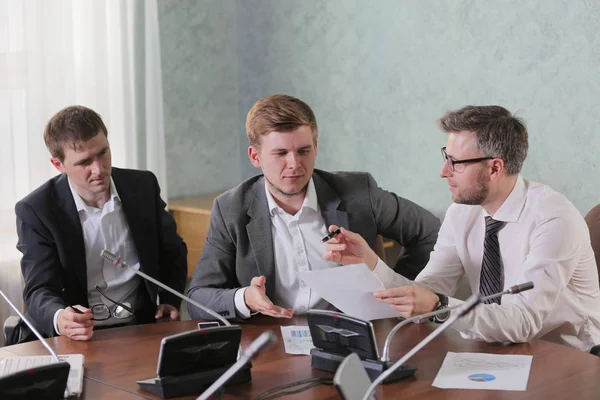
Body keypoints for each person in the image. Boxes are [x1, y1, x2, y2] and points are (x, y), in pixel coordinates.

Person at [324, 105, 600, 351]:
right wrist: (371, 262)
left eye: (455, 163)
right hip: (495, 352)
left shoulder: (554, 219)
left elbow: (523, 322)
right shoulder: (462, 213)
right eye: (446, 156)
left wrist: (440, 307)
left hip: (567, 360)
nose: (444, 171)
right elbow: (426, 292)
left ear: (494, 169)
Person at [187, 94, 440, 320]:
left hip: (350, 335)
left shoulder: (359, 192)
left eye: (303, 151)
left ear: (316, 148)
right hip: (271, 342)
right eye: (280, 153)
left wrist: (401, 291)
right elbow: (198, 298)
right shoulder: (231, 208)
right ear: (255, 156)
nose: (294, 164)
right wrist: (245, 299)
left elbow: (429, 231)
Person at [15, 105, 187, 341]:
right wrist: (60, 318)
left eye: (103, 153)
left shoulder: (143, 186)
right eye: (84, 162)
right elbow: (39, 289)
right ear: (58, 165)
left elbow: (173, 251)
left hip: (140, 327)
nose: (99, 169)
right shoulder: (37, 210)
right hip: (78, 336)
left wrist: (169, 299)